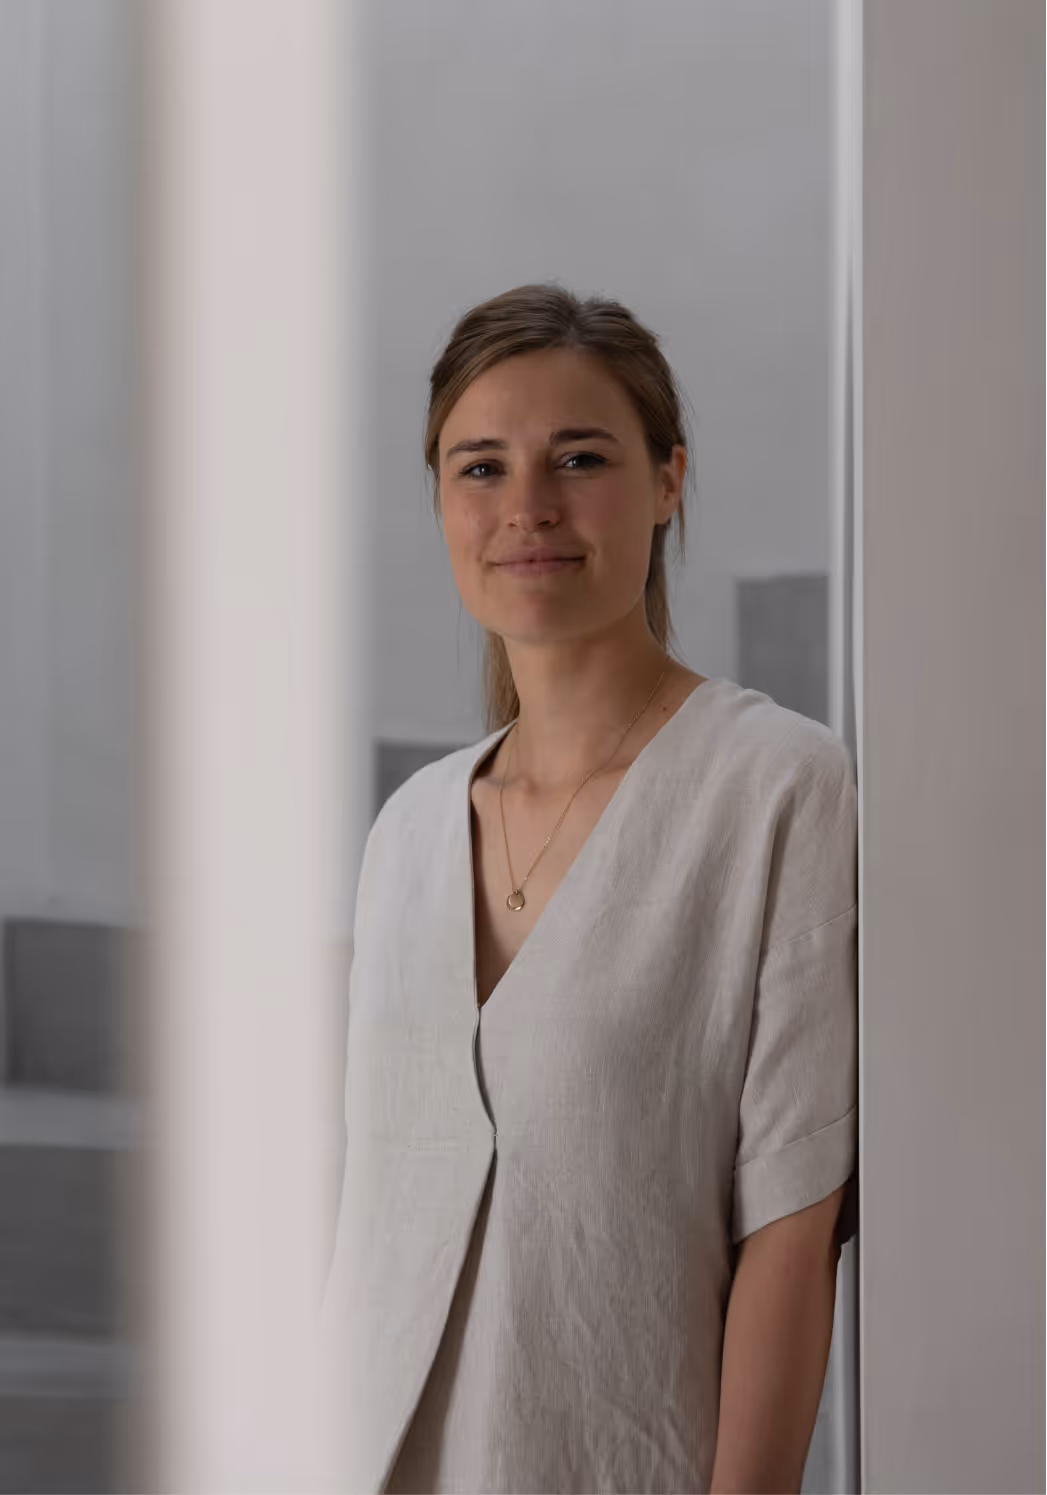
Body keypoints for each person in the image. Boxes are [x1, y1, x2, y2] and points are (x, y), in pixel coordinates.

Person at [320, 283, 858, 1494]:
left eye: (579, 458)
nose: (528, 508)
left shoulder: (774, 790)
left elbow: (792, 1227)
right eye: (480, 467)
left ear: (668, 481)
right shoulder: (408, 832)